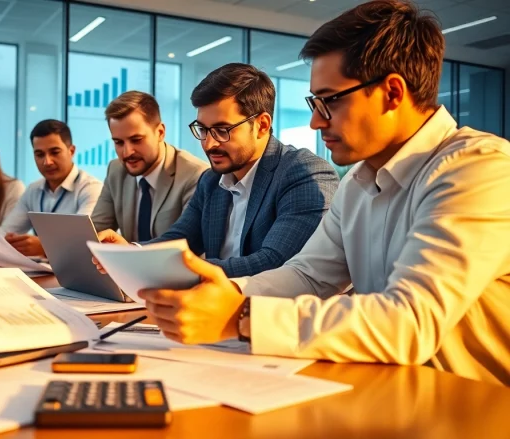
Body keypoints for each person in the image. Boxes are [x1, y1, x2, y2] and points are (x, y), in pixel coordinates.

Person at [136, 0, 510, 386]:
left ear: (392, 93)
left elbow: (409, 322)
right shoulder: (360, 182)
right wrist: (225, 294)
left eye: (330, 101)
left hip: (476, 403)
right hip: (392, 390)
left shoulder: (479, 168)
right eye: (315, 103)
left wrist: (241, 317)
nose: (316, 121)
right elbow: (308, 276)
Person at [96, 64, 339, 277]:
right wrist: (131, 254)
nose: (209, 144)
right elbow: (179, 240)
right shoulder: (211, 180)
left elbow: (273, 263)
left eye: (222, 130)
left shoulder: (304, 173)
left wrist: (174, 268)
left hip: (273, 319)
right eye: (202, 129)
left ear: (262, 125)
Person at [90, 91, 208, 242]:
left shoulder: (195, 175)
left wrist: (131, 252)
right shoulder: (116, 169)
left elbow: (184, 243)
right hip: (126, 265)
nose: (127, 152)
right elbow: (95, 230)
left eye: (136, 140)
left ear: (160, 132)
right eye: (119, 142)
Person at [0, 120, 103, 257]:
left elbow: (82, 241)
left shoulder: (90, 188)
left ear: (71, 151)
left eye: (55, 152)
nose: (47, 162)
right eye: (40, 154)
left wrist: (45, 247)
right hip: (44, 270)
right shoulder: (33, 190)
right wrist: (8, 241)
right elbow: (4, 232)